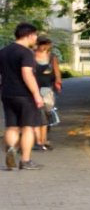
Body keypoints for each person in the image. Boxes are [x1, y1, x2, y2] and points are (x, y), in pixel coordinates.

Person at [1, 22, 46, 170]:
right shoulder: (26, 52)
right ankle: (25, 161)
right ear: (29, 35)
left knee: (12, 126)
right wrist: (37, 94)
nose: (36, 38)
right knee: (28, 127)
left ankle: (11, 150)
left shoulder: (3, 51)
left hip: (7, 93)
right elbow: (27, 74)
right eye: (35, 35)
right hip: (25, 95)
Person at [33, 36, 61, 151]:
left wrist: (58, 83)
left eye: (47, 44)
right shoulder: (31, 55)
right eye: (43, 44)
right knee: (38, 114)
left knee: (47, 113)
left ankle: (42, 140)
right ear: (39, 44)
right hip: (33, 88)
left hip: (47, 89)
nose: (45, 47)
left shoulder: (52, 57)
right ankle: (40, 141)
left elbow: (56, 71)